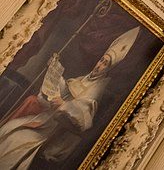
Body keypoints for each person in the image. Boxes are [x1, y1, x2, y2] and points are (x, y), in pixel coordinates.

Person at [0, 27, 141, 170]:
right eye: (101, 60)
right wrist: (54, 67)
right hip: (45, 120)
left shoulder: (95, 91)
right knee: (9, 128)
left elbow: (82, 119)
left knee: (15, 140)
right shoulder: (85, 79)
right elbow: (64, 90)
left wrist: (64, 105)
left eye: (105, 64)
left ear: (108, 69)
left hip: (55, 133)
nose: (99, 65)